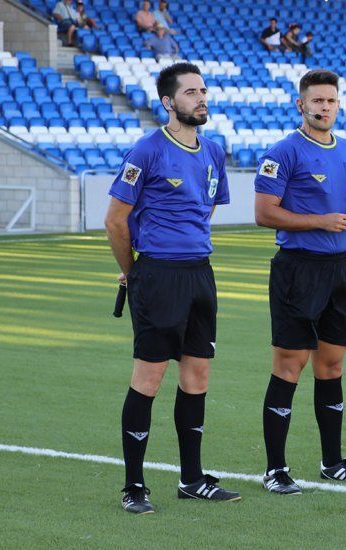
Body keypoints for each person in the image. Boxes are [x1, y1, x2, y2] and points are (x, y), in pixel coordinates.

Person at [104, 62, 239, 514]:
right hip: (157, 276)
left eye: (203, 90)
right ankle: (134, 485)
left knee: (197, 376)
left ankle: (192, 479)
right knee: (149, 378)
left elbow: (206, 209)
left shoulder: (213, 151)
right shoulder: (146, 151)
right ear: (168, 102)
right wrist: (134, 269)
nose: (201, 98)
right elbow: (115, 220)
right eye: (190, 92)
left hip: (200, 273)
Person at [254, 69, 346, 495]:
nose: (324, 107)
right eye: (317, 101)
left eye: (331, 101)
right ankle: (275, 470)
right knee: (291, 365)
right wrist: (319, 222)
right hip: (297, 270)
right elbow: (264, 212)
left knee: (333, 365)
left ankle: (332, 462)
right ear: (301, 105)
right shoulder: (283, 151)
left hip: (339, 269)